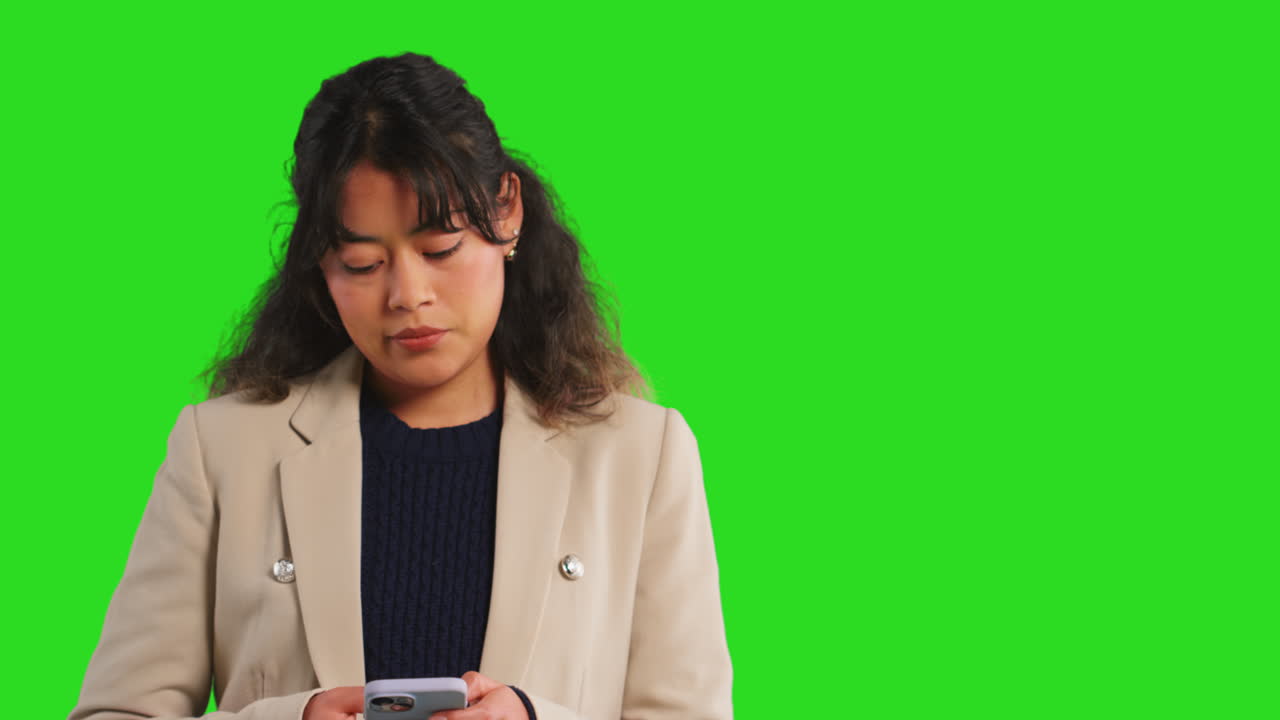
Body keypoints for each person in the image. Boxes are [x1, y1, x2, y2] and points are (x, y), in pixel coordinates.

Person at [68, 53, 732, 720]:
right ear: (320, 264)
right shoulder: (220, 450)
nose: (407, 295)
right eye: (361, 263)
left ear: (507, 215)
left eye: (440, 248)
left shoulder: (642, 457)